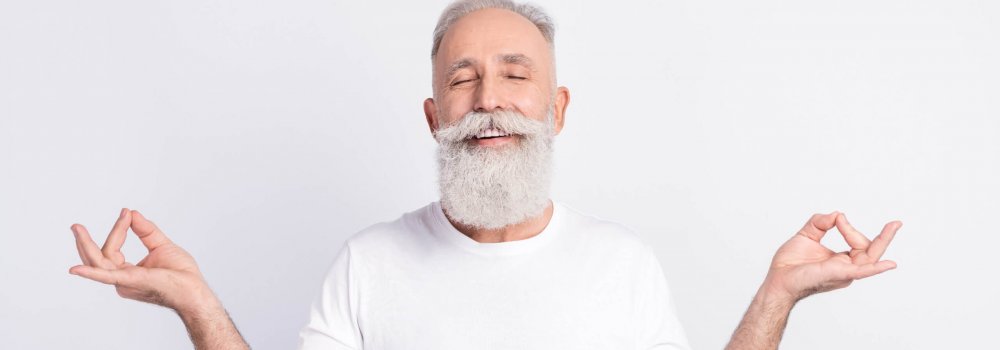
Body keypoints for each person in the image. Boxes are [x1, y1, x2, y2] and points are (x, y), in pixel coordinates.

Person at [68, 1, 902, 349]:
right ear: (434, 117)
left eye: (514, 73)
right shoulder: (368, 262)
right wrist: (198, 307)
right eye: (462, 79)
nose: (488, 101)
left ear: (557, 108)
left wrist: (774, 299)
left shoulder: (623, 266)